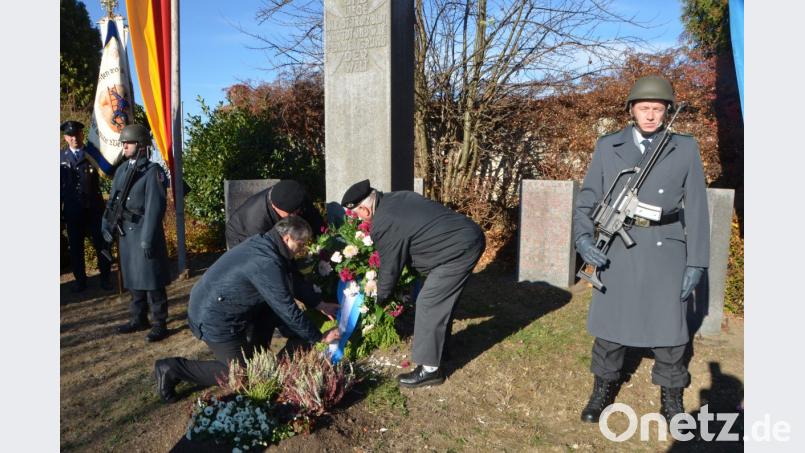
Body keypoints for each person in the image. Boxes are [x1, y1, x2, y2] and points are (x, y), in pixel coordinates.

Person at [573, 75, 709, 423]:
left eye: (657, 109)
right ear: (631, 110)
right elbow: (588, 199)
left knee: (670, 330)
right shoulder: (609, 146)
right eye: (644, 108)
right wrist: (583, 239)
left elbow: (697, 207)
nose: (650, 115)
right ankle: (602, 389)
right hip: (618, 247)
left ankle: (671, 397)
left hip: (666, 248)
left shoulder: (684, 147)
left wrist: (697, 262)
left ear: (667, 111)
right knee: (611, 327)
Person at [153, 216, 340, 403]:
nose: (302, 250)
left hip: (225, 306)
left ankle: (255, 354)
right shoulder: (266, 261)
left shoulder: (269, 244)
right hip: (213, 318)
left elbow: (292, 280)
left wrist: (319, 304)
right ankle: (172, 369)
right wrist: (319, 337)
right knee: (240, 375)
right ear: (287, 238)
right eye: (300, 245)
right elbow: (286, 308)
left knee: (268, 319)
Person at [340, 180, 486, 388]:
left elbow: (390, 268)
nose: (359, 219)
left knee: (429, 302)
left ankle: (430, 370)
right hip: (463, 237)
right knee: (439, 300)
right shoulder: (398, 197)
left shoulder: (384, 222)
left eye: (358, 215)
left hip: (458, 250)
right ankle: (440, 351)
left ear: (364, 209)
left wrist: (380, 298)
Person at [103, 124, 172, 343]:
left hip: (143, 230)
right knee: (133, 278)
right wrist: (105, 224)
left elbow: (155, 208)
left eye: (128, 142)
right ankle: (138, 318)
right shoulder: (122, 170)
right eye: (123, 143)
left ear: (141, 145)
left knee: (152, 280)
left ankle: (159, 323)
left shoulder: (152, 171)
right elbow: (112, 201)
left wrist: (147, 238)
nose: (124, 146)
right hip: (125, 233)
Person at [60, 120, 112, 292]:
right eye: (70, 135)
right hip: (72, 211)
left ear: (82, 134)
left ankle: (106, 278)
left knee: (102, 245)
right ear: (66, 138)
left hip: (94, 209)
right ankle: (80, 281)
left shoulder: (93, 154)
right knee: (76, 248)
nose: (74, 138)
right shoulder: (59, 158)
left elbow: (108, 173)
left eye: (77, 134)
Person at [225, 179, 324, 249]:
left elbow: (314, 219)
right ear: (275, 207)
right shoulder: (257, 221)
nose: (296, 215)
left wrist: (325, 243)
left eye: (297, 211)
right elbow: (268, 251)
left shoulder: (296, 196)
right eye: (291, 213)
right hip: (241, 236)